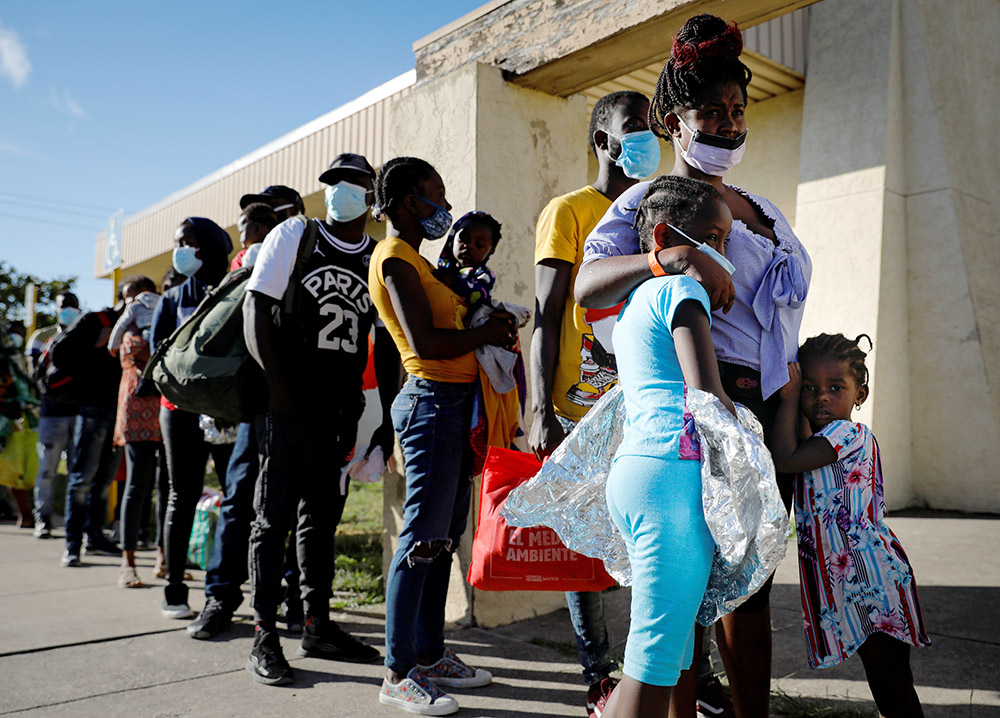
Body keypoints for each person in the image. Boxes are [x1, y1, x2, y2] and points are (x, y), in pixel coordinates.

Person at [576, 15, 812, 717]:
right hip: (709, 404)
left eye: (736, 111)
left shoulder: (761, 207)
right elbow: (588, 287)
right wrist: (666, 257)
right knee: (689, 591)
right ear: (673, 120)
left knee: (751, 583)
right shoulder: (645, 203)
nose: (728, 124)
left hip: (771, 407)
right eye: (709, 111)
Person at [370, 156, 516, 715]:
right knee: (420, 539)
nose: (445, 206)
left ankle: (430, 656)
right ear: (410, 202)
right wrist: (484, 331)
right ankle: (397, 671)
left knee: (442, 537)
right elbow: (427, 344)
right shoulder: (395, 259)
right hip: (431, 405)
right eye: (438, 194)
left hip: (459, 407)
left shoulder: (424, 263)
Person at [242, 154, 394, 685]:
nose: (341, 191)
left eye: (353, 184)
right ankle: (264, 633)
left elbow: (387, 341)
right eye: (333, 182)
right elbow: (255, 309)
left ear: (369, 198)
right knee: (273, 517)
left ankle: (316, 624)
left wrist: (385, 421)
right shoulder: (296, 234)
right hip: (290, 406)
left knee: (321, 518)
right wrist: (278, 389)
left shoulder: (375, 256)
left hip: (339, 409)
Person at [528, 89, 654, 718]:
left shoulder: (655, 211)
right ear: (603, 141)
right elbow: (546, 317)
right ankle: (598, 674)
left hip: (644, 403)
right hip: (579, 406)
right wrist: (537, 408)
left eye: (653, 126)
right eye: (634, 128)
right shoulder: (569, 210)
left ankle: (660, 671)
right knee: (584, 545)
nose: (647, 137)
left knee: (651, 538)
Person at [600, 175, 737, 718]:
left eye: (727, 241)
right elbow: (707, 398)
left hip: (640, 474)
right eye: (713, 237)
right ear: (666, 236)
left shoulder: (634, 302)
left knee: (670, 659)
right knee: (650, 674)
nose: (722, 254)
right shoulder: (683, 288)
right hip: (673, 482)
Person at [771, 334, 929, 717]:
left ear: (861, 394)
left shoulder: (847, 435)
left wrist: (790, 397)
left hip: (871, 579)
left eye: (835, 388)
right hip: (860, 577)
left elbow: (784, 458)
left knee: (891, 683)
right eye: (810, 387)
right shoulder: (824, 436)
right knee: (887, 682)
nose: (821, 396)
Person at [187, 200, 286, 640]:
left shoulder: (298, 262)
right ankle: (220, 598)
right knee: (238, 501)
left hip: (293, 404)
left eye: (266, 224)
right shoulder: (239, 270)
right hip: (251, 407)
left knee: (289, 507)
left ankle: (292, 600)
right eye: (250, 226)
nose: (254, 234)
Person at [150, 217, 234, 617]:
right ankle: (174, 587)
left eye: (190, 241)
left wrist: (221, 403)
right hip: (179, 412)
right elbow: (158, 364)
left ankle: (225, 587)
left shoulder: (234, 290)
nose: (181, 249)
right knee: (181, 495)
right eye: (178, 242)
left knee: (238, 499)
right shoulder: (171, 299)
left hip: (226, 413)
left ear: (212, 245)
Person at [58, 294, 125, 567]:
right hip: (93, 411)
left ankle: (95, 537)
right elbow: (60, 353)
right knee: (82, 479)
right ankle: (72, 544)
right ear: (125, 298)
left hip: (119, 413)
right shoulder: (95, 320)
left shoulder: (135, 324)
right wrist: (97, 344)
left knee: (103, 482)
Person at [112, 276, 162, 588]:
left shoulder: (160, 314)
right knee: (137, 485)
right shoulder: (126, 327)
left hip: (166, 405)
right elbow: (121, 349)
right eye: (127, 298)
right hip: (135, 407)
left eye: (135, 296)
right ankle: (127, 562)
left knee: (169, 488)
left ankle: (164, 556)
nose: (131, 304)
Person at [27, 292, 80, 538]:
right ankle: (43, 517)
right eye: (63, 306)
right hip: (51, 413)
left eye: (72, 306)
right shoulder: (41, 336)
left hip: (79, 413)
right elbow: (34, 376)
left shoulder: (84, 334)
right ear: (56, 309)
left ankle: (74, 522)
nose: (67, 310)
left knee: (76, 471)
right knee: (47, 468)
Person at [434, 211, 502, 310]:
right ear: (452, 239)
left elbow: (478, 297)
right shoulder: (441, 272)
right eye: (463, 238)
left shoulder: (484, 274)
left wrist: (456, 282)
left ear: (490, 251)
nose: (469, 245)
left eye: (479, 244)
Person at [107, 277, 159, 353]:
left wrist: (113, 346)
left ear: (141, 291)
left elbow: (121, 325)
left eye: (127, 296)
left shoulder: (134, 307)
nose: (126, 302)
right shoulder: (161, 300)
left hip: (146, 335)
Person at [231, 202, 279, 271]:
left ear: (257, 228)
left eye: (242, 232)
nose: (240, 238)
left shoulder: (253, 252)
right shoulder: (284, 247)